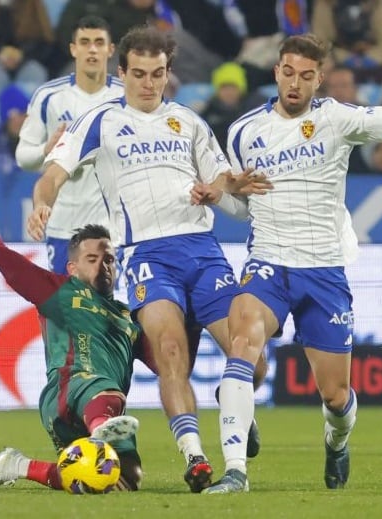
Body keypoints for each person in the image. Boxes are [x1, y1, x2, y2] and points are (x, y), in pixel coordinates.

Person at [192, 33, 382, 493]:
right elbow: (245, 208)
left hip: (323, 271)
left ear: (319, 79)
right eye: (288, 72)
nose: (295, 82)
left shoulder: (338, 119)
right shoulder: (244, 131)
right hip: (267, 262)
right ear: (276, 72)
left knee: (336, 397)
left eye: (306, 76)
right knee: (242, 343)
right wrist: (220, 194)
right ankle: (235, 472)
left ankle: (336, 440)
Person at [27, 25, 269, 493]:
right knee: (170, 353)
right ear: (122, 73)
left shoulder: (190, 121)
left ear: (168, 74)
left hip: (202, 251)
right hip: (145, 256)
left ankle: (232, 397)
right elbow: (52, 174)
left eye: (157, 74)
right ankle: (195, 458)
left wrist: (220, 188)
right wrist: (43, 202)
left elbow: (221, 181)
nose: (148, 84)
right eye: (138, 74)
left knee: (252, 358)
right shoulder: (99, 121)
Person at [0, 160, 145, 492]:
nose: (104, 266)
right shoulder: (60, 291)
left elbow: (171, 361)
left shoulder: (129, 319)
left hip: (86, 408)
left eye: (109, 259)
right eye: (93, 259)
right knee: (104, 388)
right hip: (71, 389)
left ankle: (20, 465)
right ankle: (101, 428)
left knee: (120, 480)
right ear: (73, 267)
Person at [16, 15, 123, 275]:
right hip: (63, 225)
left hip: (112, 228)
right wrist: (45, 150)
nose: (92, 49)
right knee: (65, 310)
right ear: (73, 49)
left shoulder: (125, 97)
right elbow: (22, 156)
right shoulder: (49, 96)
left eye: (99, 42)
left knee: (104, 309)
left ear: (111, 50)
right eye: (85, 42)